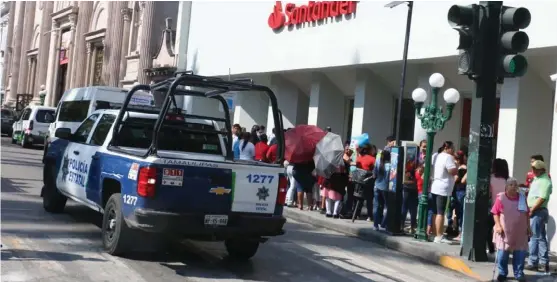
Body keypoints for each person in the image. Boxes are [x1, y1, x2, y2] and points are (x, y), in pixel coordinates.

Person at [492, 177, 530, 282]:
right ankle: (502, 273)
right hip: (505, 231)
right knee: (502, 254)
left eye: (515, 185)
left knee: (520, 254)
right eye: (511, 185)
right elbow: (495, 213)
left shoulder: (522, 198)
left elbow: (527, 214)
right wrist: (498, 226)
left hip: (520, 231)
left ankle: (519, 273)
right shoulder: (501, 198)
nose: (513, 187)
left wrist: (528, 227)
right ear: (506, 187)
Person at [526, 160, 552, 273]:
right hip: (537, 210)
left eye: (536, 169)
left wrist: (532, 209)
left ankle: (533, 261)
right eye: (533, 169)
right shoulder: (538, 179)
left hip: (538, 211)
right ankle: (542, 261)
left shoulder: (545, 181)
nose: (533, 171)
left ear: (542, 169)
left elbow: (542, 198)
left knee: (534, 237)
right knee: (540, 236)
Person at [430, 141, 457, 244]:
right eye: (452, 148)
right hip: (444, 188)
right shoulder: (448, 157)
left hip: (435, 186)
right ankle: (439, 235)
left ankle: (434, 233)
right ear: (447, 147)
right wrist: (456, 165)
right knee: (441, 213)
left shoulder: (436, 156)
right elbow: (452, 171)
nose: (453, 150)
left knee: (435, 212)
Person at [488, 158, 510, 253]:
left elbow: (489, 193)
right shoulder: (508, 180)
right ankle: (503, 247)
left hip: (494, 207)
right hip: (507, 208)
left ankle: (491, 248)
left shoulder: (491, 179)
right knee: (505, 228)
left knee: (489, 228)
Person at [353, 144, 376, 221]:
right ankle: (369, 216)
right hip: (368, 182)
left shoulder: (358, 158)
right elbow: (375, 170)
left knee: (359, 198)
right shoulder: (372, 159)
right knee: (369, 200)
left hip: (359, 181)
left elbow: (357, 167)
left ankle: (357, 214)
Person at [373, 150, 390, 230]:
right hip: (385, 188)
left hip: (377, 186)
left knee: (377, 206)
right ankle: (383, 224)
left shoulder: (378, 162)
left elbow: (374, 174)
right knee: (388, 207)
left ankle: (375, 225)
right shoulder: (389, 166)